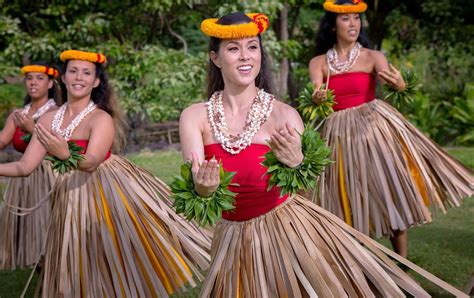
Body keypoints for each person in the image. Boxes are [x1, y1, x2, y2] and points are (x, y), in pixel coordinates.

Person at [178, 11, 467, 297]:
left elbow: (306, 193)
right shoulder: (194, 117)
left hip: (284, 235)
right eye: (233, 48)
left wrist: (297, 164)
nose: (245, 56)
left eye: (252, 47)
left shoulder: (284, 116)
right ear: (215, 58)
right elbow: (197, 190)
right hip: (230, 238)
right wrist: (204, 190)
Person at [0, 50, 210, 297]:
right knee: (74, 259)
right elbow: (25, 166)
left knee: (107, 259)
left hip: (104, 193)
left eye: (87, 73)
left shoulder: (101, 119)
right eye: (73, 71)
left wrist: (64, 152)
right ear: (63, 78)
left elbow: (91, 161)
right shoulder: (48, 120)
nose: (79, 77)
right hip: (68, 196)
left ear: (96, 81)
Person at [309, 0, 473, 258]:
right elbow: (316, 94)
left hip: (373, 131)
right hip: (338, 135)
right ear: (332, 26)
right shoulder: (319, 63)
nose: (353, 24)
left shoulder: (373, 57)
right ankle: (358, 259)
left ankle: (404, 262)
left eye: (356, 18)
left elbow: (394, 82)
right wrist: (317, 98)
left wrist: (399, 85)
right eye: (345, 19)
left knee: (387, 189)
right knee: (347, 195)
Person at [0, 63, 62, 270]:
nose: (33, 82)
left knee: (49, 227)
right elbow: (2, 140)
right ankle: (40, 268)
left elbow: (59, 146)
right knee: (29, 230)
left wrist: (32, 128)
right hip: (22, 179)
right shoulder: (17, 114)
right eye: (29, 78)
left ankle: (55, 267)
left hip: (48, 177)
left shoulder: (58, 113)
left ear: (51, 83)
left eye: (39, 78)